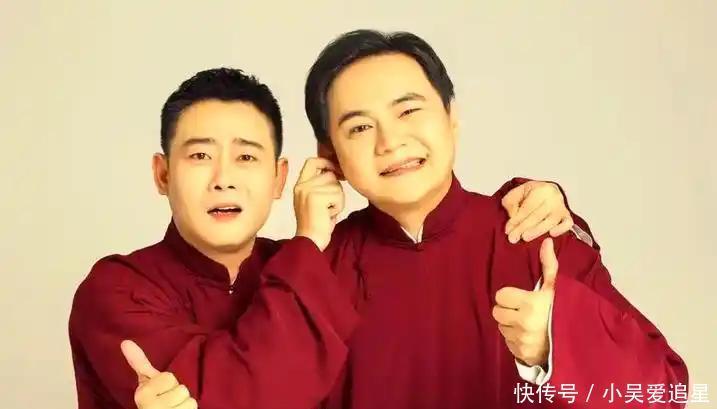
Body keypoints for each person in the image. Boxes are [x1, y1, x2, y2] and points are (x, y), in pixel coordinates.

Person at [68, 67, 575, 409]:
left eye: (246, 157)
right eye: (200, 156)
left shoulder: (315, 266)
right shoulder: (118, 290)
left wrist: (538, 204)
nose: (224, 179)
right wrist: (309, 240)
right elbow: (244, 395)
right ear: (162, 174)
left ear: (279, 178)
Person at [300, 30, 687, 409]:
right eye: (360, 127)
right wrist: (305, 250)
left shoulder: (532, 234)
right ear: (330, 156)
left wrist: (560, 339)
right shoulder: (318, 271)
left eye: (408, 111)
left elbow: (665, 394)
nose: (390, 141)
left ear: (451, 118)